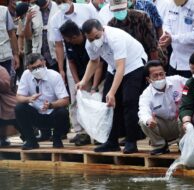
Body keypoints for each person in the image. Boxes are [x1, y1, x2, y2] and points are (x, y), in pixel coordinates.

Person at [77, 19, 147, 154]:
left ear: (102, 29)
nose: (94, 40)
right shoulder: (90, 43)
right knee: (108, 104)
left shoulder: (116, 38)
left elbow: (122, 67)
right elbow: (94, 61)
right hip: (113, 66)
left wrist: (112, 92)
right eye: (90, 39)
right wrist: (84, 81)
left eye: (97, 37)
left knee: (129, 102)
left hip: (134, 64)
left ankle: (131, 141)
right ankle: (111, 141)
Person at [50, 0, 99, 144]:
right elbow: (59, 46)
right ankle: (80, 132)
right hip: (73, 61)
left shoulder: (86, 10)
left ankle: (96, 132)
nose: (61, 4)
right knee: (76, 95)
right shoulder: (55, 19)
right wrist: (61, 69)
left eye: (63, 1)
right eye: (58, 2)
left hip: (95, 55)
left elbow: (98, 61)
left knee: (95, 97)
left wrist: (94, 84)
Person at [59, 20, 105, 145]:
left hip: (99, 75)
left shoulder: (90, 39)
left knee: (97, 103)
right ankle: (82, 133)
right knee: (79, 102)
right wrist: (78, 83)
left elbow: (99, 64)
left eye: (68, 39)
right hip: (82, 75)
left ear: (74, 37)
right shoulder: (69, 42)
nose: (67, 41)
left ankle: (99, 135)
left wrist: (94, 87)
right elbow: (71, 62)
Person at [15, 53, 70, 150]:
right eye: (33, 68)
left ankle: (57, 139)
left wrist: (51, 105)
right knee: (19, 108)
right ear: (28, 68)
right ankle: (31, 141)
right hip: (36, 114)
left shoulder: (55, 76)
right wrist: (28, 99)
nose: (37, 70)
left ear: (44, 63)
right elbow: (18, 97)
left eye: (39, 66)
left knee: (63, 112)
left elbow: (65, 100)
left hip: (52, 113)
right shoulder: (26, 75)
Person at [138, 60, 186, 155]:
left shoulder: (177, 80)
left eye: (161, 74)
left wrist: (185, 94)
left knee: (186, 114)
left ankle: (183, 143)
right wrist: (148, 120)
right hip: (161, 126)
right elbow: (143, 111)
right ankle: (160, 145)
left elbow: (191, 84)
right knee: (142, 122)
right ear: (148, 79)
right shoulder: (146, 95)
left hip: (180, 123)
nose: (160, 78)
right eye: (155, 76)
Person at [159, 0, 194, 78]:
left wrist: (173, 38)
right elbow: (166, 24)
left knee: (189, 89)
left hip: (193, 63)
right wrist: (166, 35)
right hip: (175, 61)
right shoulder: (171, 4)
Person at [23, 0, 59, 71]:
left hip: (56, 57)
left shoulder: (57, 8)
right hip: (39, 59)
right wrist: (28, 21)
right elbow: (27, 36)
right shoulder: (32, 11)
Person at [0, 66, 17, 147]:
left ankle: (2, 137)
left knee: (17, 109)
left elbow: (6, 87)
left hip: (5, 100)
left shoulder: (1, 70)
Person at [0, 5, 19, 75]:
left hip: (5, 56)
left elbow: (12, 33)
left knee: (6, 83)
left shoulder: (4, 11)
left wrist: (16, 54)